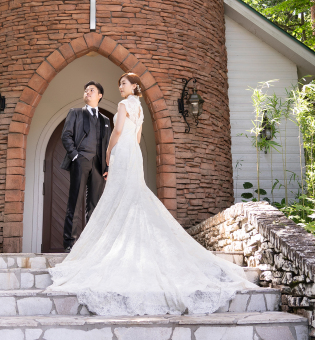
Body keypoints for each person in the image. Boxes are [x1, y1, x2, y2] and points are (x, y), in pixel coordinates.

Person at [47, 72, 255, 315]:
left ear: (133, 86)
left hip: (117, 155)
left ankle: (104, 245)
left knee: (109, 200)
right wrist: (83, 155)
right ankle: (77, 242)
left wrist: (108, 156)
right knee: (117, 197)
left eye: (123, 83)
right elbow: (134, 137)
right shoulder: (133, 109)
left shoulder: (118, 109)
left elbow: (115, 133)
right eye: (119, 83)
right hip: (125, 154)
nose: (120, 86)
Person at [59, 81, 111, 252]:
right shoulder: (75, 113)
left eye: (92, 90)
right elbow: (66, 136)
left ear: (100, 96)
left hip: (98, 165)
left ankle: (92, 244)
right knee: (74, 203)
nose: (87, 92)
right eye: (86, 90)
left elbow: (108, 146)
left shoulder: (105, 120)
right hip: (80, 160)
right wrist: (75, 156)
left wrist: (107, 167)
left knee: (94, 205)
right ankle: (70, 243)